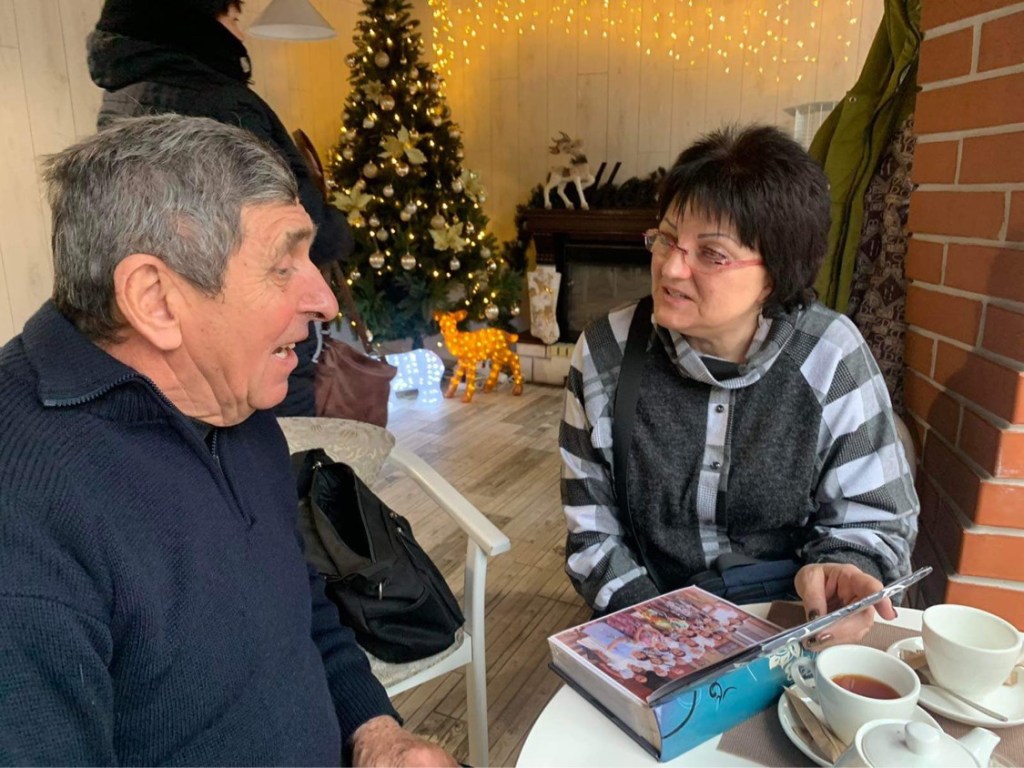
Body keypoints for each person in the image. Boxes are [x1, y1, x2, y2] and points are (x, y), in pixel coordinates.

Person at [0, 114, 454, 766]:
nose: (325, 300)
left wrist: (376, 731)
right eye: (283, 265)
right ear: (156, 299)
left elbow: (302, 609)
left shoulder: (234, 407)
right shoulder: (24, 513)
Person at [559, 125, 919, 648]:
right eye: (667, 239)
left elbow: (877, 518)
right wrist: (667, 637)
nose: (671, 269)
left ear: (775, 274)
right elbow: (592, 533)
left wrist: (844, 569)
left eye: (712, 254)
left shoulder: (829, 355)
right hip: (649, 621)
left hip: (792, 623)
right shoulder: (605, 353)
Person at [87, 0, 354, 417]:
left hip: (181, 330)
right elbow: (286, 229)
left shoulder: (125, 95)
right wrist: (337, 229)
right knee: (282, 438)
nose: (240, 35)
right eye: (232, 19)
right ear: (192, 21)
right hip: (253, 326)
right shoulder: (220, 104)